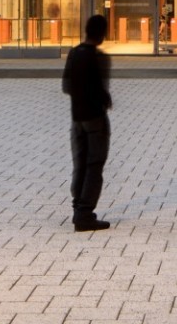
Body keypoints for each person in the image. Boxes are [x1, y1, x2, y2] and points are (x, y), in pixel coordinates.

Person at [61, 12, 112, 232]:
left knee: (79, 164)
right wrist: (104, 101)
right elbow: (102, 90)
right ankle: (85, 214)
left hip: (77, 118)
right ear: (102, 34)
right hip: (96, 119)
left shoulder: (74, 53)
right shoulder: (99, 57)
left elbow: (66, 86)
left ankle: (77, 208)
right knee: (94, 166)